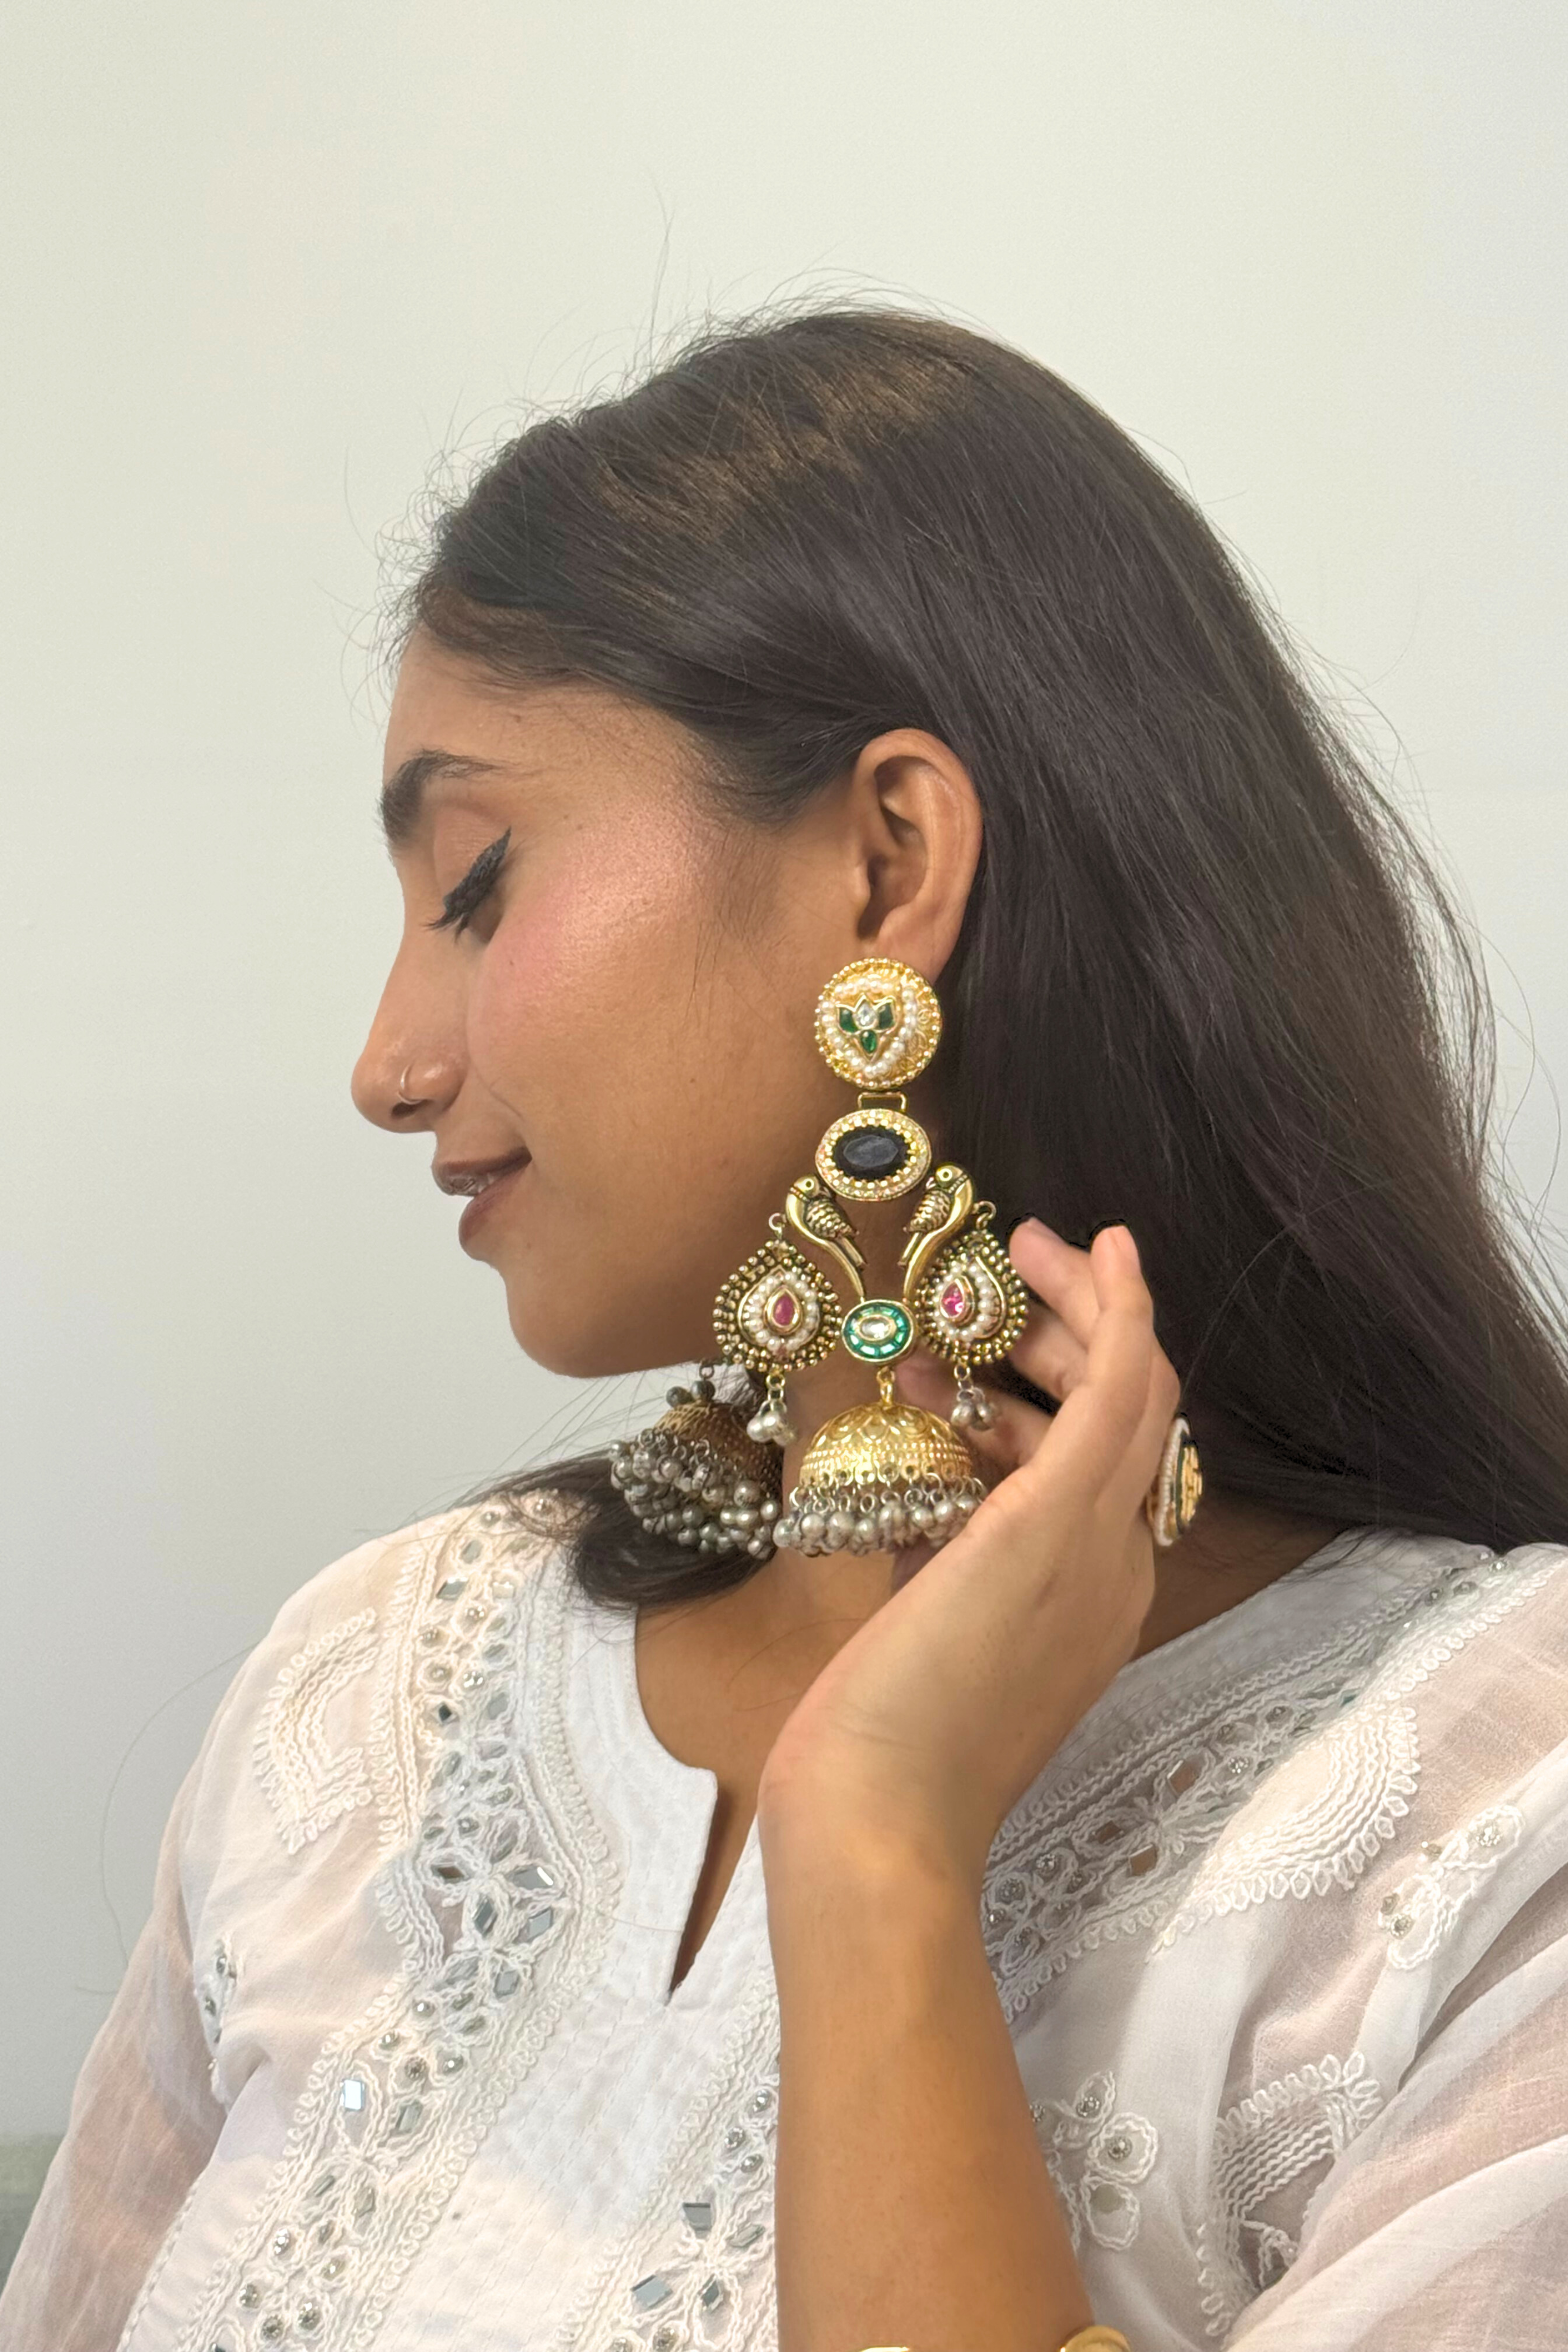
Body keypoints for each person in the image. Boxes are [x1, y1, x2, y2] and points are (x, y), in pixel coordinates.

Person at [6, 303, 1568, 2352]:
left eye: (475, 886)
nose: (389, 1064)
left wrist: (881, 1854)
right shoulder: (373, 1696)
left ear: (888, 862)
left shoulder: (1495, 1823)